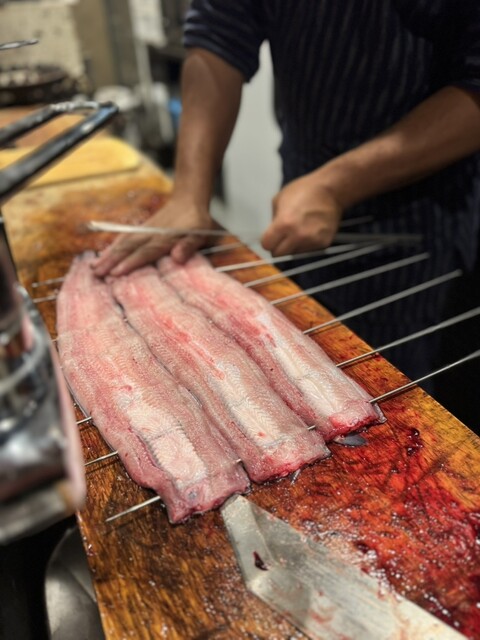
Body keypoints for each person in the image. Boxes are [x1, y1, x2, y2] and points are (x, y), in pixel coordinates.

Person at [93, 1, 480, 426]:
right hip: (303, 191)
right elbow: (218, 30)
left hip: (422, 217)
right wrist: (189, 193)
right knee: (295, 372)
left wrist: (338, 184)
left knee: (403, 411)